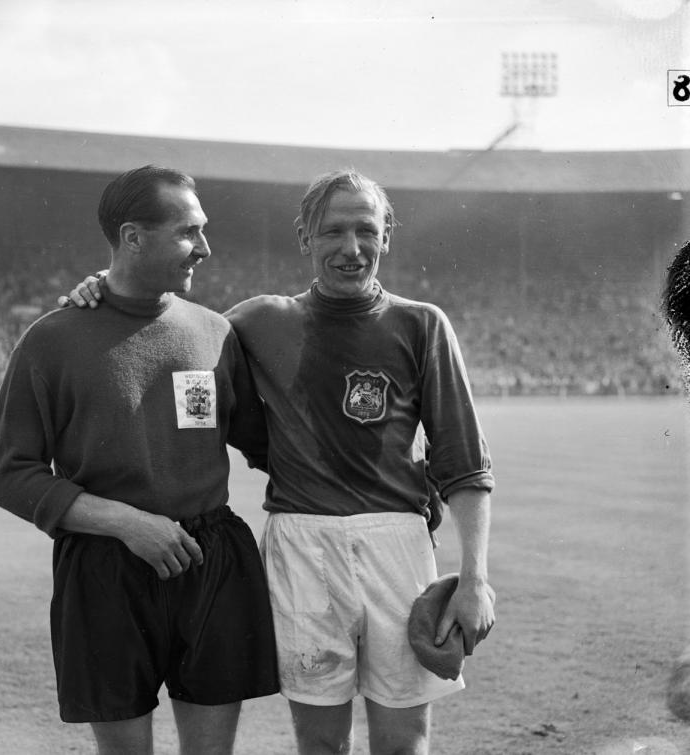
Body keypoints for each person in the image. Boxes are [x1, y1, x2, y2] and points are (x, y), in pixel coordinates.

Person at [62, 168, 496, 755]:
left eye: (367, 230)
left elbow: (464, 462)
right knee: (319, 745)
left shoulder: (421, 324)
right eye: (332, 232)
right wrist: (102, 287)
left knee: (403, 743)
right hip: (302, 543)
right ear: (304, 237)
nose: (352, 248)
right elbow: (171, 325)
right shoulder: (257, 322)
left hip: (398, 544)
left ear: (387, 234)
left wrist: (475, 580)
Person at [0, 165, 279, 755]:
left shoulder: (215, 332)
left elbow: (269, 444)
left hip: (210, 560)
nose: (205, 247)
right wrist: (124, 522)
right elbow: (10, 474)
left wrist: (399, 477)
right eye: (188, 232)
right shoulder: (52, 340)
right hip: (103, 568)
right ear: (133, 237)